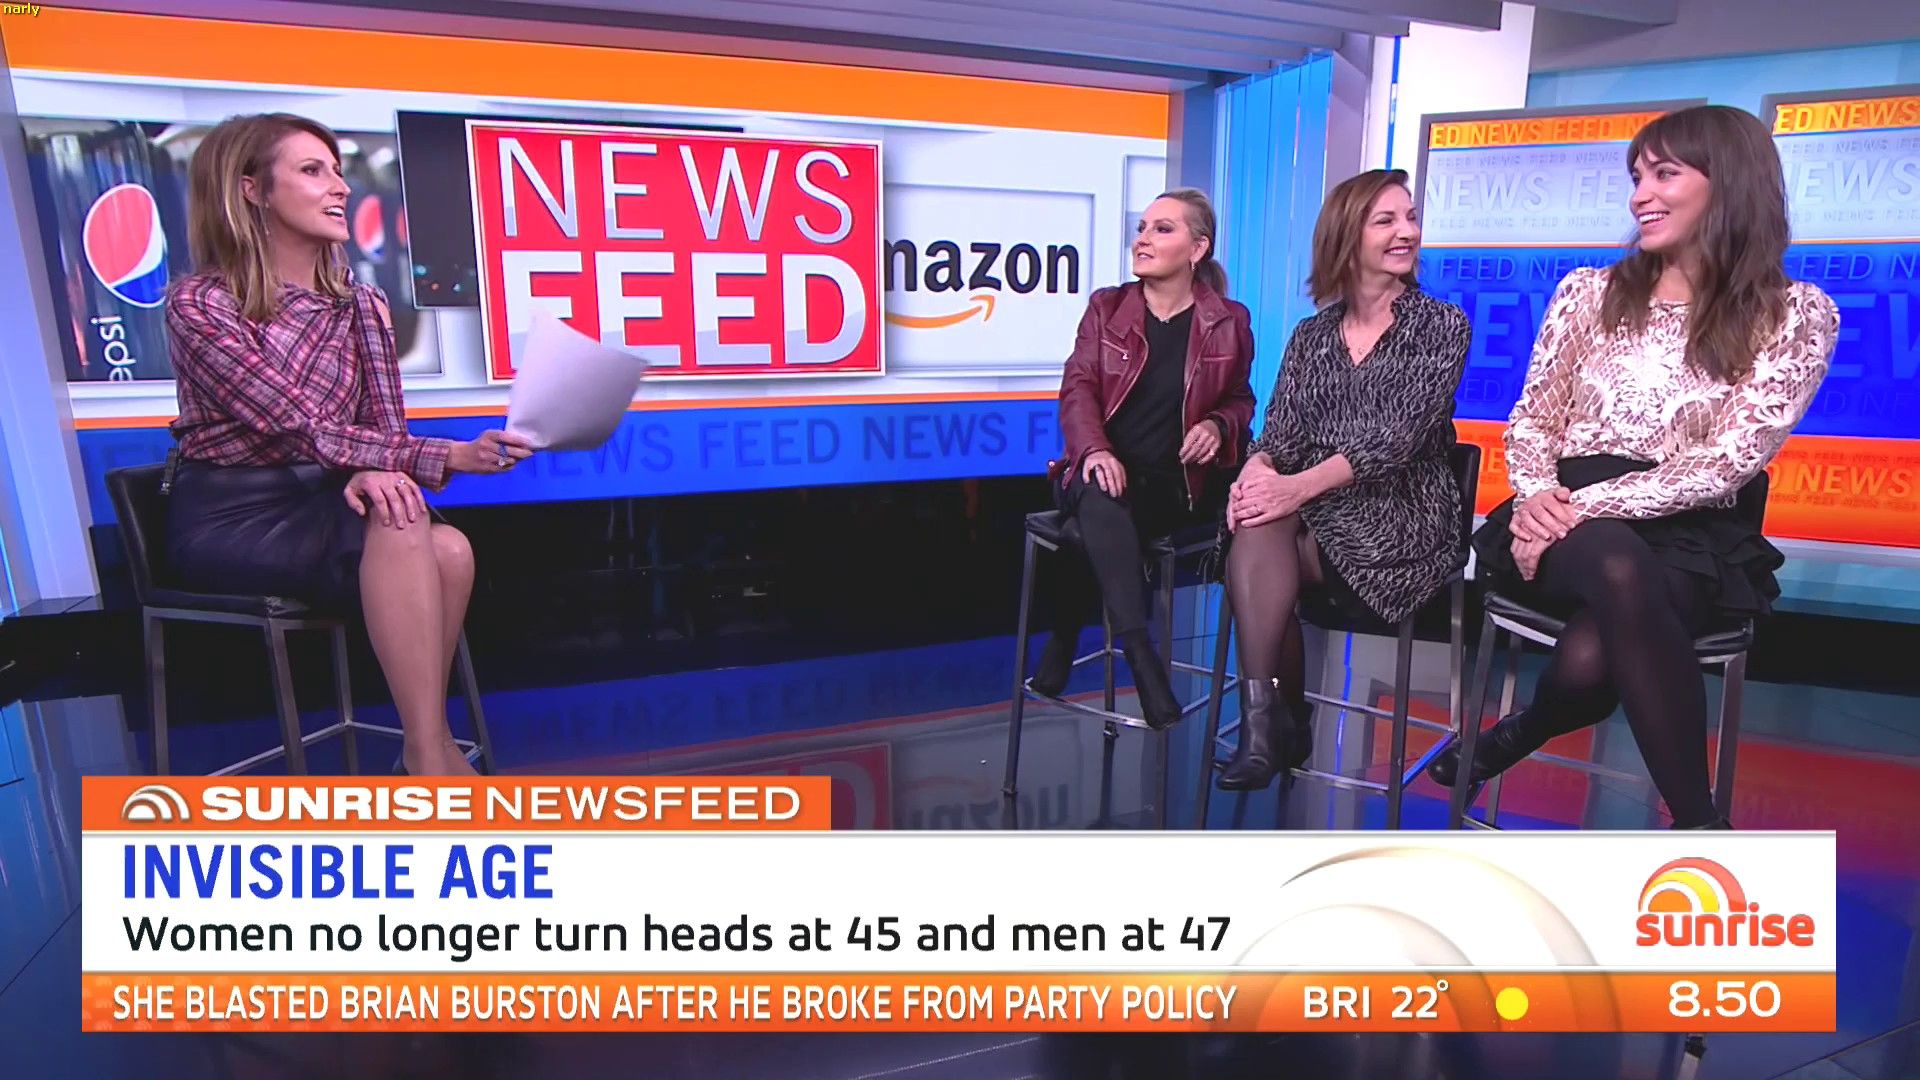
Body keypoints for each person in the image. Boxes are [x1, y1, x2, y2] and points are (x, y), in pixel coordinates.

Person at [1426, 105, 1839, 829]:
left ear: (1729, 182)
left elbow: (1727, 465)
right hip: (1564, 518)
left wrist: (1575, 511)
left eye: (1664, 175)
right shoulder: (1589, 292)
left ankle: (1512, 735)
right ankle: (1703, 828)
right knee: (1616, 564)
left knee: (1592, 658)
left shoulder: (1796, 314)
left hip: (1689, 530)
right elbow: (1534, 419)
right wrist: (1540, 497)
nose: (1640, 195)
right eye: (1636, 177)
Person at [163, 113, 534, 776]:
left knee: (450, 548)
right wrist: (446, 456)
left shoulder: (361, 303)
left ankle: (425, 746)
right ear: (252, 190)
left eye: (337, 171)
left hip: (329, 495)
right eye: (313, 171)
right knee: (403, 515)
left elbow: (382, 431)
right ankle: (432, 758)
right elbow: (291, 419)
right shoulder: (201, 304)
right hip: (236, 514)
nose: (339, 187)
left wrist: (383, 465)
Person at [1217, 168, 1471, 791]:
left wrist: (1292, 488)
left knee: (1264, 537)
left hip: (1402, 512)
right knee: (1259, 522)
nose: (1407, 231)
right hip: (1315, 513)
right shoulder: (1311, 336)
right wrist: (1255, 471)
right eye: (1387, 220)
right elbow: (1280, 434)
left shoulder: (1441, 325)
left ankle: (1277, 723)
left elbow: (1396, 440)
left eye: (1410, 217)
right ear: (1347, 235)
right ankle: (1266, 725)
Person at [1030, 188, 1256, 729]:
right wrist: (1094, 448)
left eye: (1162, 229)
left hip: (1175, 484)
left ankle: (1065, 633)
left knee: (1088, 529)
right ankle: (1140, 655)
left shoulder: (1228, 320)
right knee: (1099, 492)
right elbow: (1078, 388)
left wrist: (1217, 425)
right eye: (1142, 228)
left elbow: (1241, 399)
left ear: (1197, 248)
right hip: (1098, 468)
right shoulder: (1106, 308)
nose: (1143, 239)